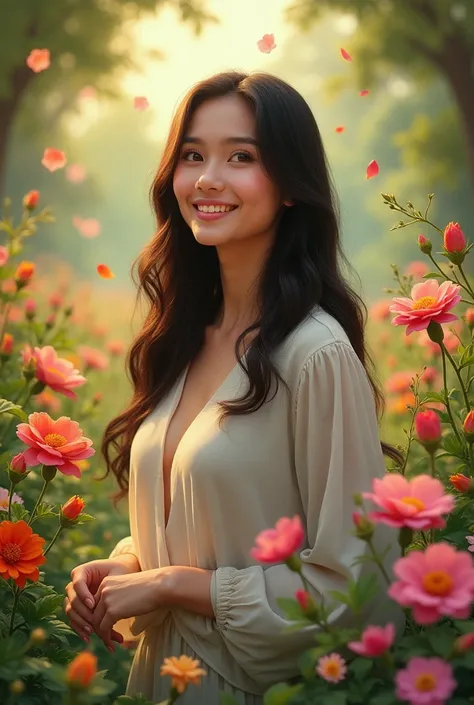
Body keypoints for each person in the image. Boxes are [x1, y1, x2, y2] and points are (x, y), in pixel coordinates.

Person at [64, 70, 405, 704]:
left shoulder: (316, 353)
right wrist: (127, 568)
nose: (207, 178)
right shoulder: (184, 336)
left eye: (240, 157)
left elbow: (354, 589)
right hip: (162, 681)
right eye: (192, 155)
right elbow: (210, 524)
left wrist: (171, 586)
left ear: (291, 186)